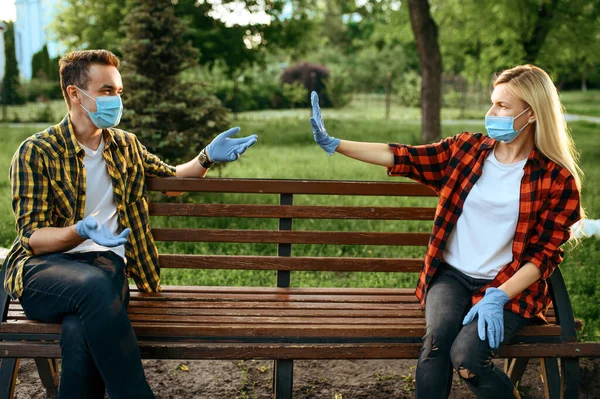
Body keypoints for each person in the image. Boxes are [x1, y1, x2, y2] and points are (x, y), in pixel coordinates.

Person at [309, 64, 582, 399]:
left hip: (506, 288)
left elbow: (545, 254)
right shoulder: (465, 150)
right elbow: (403, 157)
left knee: (467, 358)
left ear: (532, 114)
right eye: (492, 102)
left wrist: (499, 295)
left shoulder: (556, 180)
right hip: (451, 277)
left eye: (503, 106)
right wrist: (335, 143)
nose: (491, 112)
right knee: (436, 345)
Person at [1, 49, 257, 399]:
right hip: (47, 270)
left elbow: (173, 179)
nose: (116, 100)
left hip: (105, 267)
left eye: (118, 92)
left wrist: (206, 157)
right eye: (107, 91)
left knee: (79, 329)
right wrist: (78, 232)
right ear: (75, 94)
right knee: (92, 289)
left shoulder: (126, 146)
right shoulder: (36, 151)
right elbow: (33, 237)